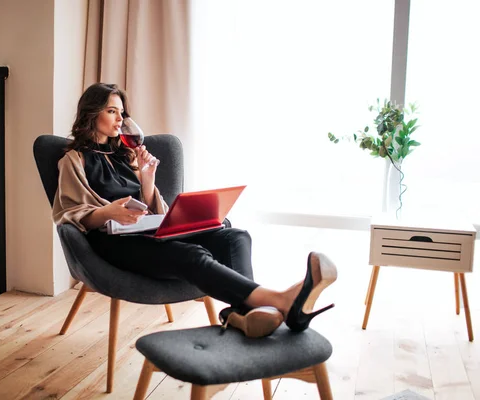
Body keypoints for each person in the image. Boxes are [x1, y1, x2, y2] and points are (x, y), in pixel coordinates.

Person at [52, 83, 337, 337]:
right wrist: (108, 213)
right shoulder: (73, 161)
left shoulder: (125, 156)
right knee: (191, 254)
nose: (121, 120)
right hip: (113, 241)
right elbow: (69, 214)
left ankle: (246, 314)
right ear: (92, 114)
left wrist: (147, 181)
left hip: (146, 230)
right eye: (112, 111)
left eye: (122, 113)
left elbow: (150, 206)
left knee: (236, 237)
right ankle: (277, 301)